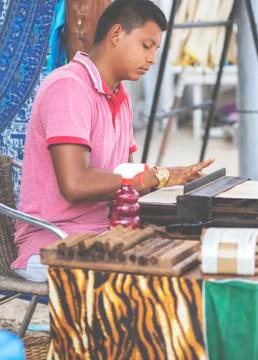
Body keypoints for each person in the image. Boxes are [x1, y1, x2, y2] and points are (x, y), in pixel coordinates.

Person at [12, 0, 214, 282]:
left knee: (197, 255)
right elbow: (75, 184)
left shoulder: (120, 96)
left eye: (155, 49)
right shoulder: (68, 87)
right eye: (146, 45)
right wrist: (151, 178)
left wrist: (168, 177)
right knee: (162, 279)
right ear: (117, 34)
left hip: (104, 234)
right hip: (54, 243)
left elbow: (126, 179)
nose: (152, 59)